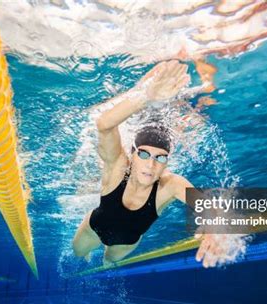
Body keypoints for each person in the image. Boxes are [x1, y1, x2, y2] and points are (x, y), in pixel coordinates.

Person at [72, 60, 226, 268]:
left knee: (109, 260)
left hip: (125, 243)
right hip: (93, 228)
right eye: (144, 154)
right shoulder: (118, 168)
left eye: (160, 158)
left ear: (166, 163)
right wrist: (146, 96)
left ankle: (106, 259)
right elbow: (104, 125)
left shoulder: (170, 184)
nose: (151, 164)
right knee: (79, 253)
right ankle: (89, 253)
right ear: (133, 154)